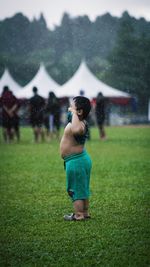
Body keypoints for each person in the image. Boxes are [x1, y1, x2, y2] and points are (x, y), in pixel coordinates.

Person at [60, 96, 92, 221]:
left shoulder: (79, 124)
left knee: (76, 190)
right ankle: (85, 212)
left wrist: (73, 113)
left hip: (76, 161)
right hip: (78, 160)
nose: (69, 109)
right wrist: (73, 112)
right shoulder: (78, 120)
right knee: (82, 187)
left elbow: (77, 131)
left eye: (71, 107)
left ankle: (78, 214)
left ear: (79, 112)